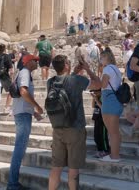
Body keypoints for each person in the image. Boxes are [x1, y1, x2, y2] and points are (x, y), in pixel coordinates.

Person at [47, 55, 101, 190]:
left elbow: (65, 83)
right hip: (75, 129)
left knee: (56, 168)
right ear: (66, 65)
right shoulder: (77, 80)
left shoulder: (51, 82)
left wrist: (74, 72)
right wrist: (87, 69)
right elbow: (99, 84)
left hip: (57, 128)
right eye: (68, 62)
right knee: (73, 170)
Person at [7, 55, 44, 190]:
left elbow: (21, 98)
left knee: (20, 148)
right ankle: (12, 184)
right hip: (22, 115)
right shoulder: (25, 73)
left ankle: (13, 182)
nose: (37, 63)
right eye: (35, 61)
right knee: (19, 149)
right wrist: (37, 106)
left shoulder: (24, 73)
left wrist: (33, 112)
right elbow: (23, 91)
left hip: (23, 113)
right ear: (28, 62)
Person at [99, 51, 123, 162]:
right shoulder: (116, 69)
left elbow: (103, 84)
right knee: (115, 131)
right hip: (116, 101)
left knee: (112, 132)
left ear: (105, 57)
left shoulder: (107, 69)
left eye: (101, 57)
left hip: (109, 100)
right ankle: (115, 154)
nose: (100, 60)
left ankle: (114, 156)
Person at [0, 44, 13, 114]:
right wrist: (11, 78)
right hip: (4, 76)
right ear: (4, 49)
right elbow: (11, 69)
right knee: (11, 91)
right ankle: (6, 108)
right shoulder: (7, 56)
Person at [90, 89, 110, 158]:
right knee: (96, 136)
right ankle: (100, 150)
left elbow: (103, 107)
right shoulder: (97, 98)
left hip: (103, 119)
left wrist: (96, 99)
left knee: (103, 136)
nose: (94, 93)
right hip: (97, 118)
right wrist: (94, 98)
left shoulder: (103, 97)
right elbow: (93, 106)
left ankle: (106, 150)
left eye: (96, 91)